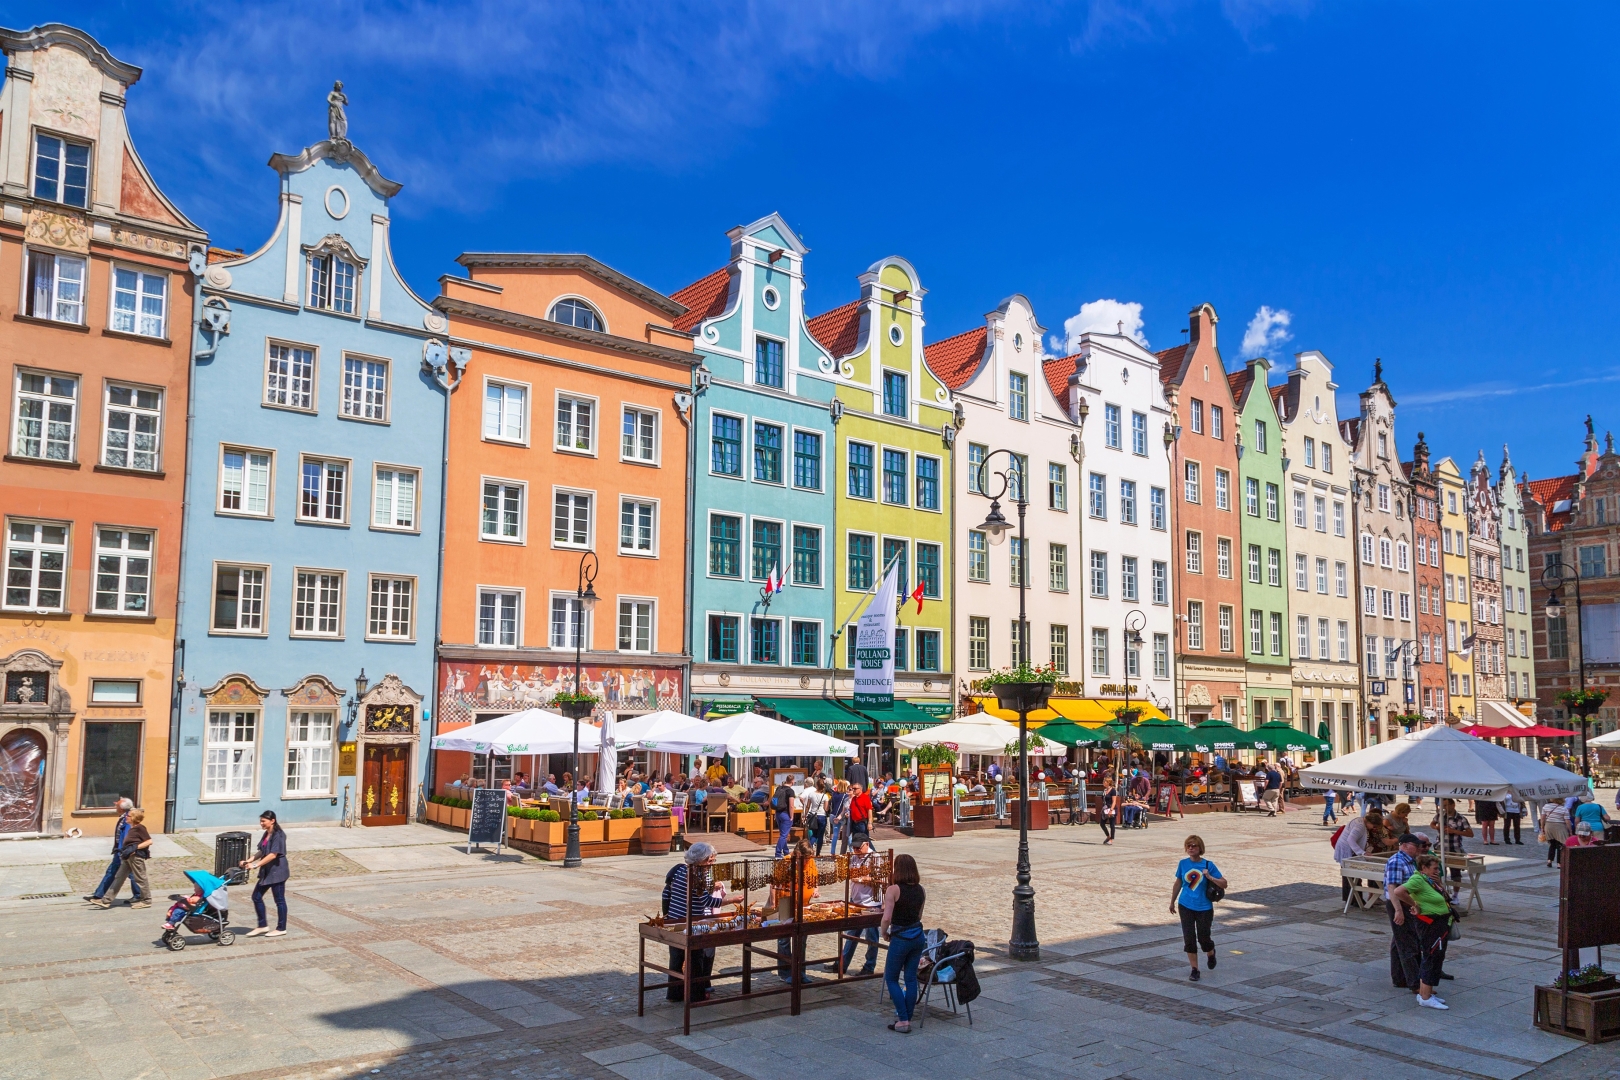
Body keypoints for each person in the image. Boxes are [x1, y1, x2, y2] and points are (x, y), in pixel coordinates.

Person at [665, 842, 731, 1001]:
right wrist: (732, 900)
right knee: (696, 959)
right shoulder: (699, 875)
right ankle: (695, 995)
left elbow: (672, 891)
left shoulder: (679, 870)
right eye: (710, 860)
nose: (712, 864)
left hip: (675, 920)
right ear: (701, 860)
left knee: (676, 957)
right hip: (692, 922)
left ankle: (675, 993)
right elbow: (708, 901)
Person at [1391, 853, 1454, 1010]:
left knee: (1436, 957)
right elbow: (1398, 891)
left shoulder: (1430, 881)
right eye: (1434, 869)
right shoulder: (1418, 879)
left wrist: (1439, 884)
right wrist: (1415, 904)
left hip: (1440, 923)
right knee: (1430, 957)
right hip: (1430, 925)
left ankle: (1427, 992)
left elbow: (1445, 898)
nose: (1437, 871)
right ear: (1424, 868)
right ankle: (1425, 996)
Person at [881, 853, 927, 1034]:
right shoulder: (921, 890)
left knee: (891, 978)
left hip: (901, 938)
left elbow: (887, 917)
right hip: (918, 936)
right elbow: (919, 915)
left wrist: (884, 932)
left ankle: (903, 1019)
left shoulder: (893, 890)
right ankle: (907, 1016)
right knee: (910, 978)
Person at [1170, 835, 1227, 981]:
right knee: (1189, 938)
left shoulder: (1208, 865)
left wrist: (1210, 877)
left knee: (1203, 938)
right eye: (1188, 846)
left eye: (1194, 846)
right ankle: (1194, 969)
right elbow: (1178, 883)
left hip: (1204, 907)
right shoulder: (1183, 863)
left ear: (1200, 848)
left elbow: (1224, 883)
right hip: (1185, 905)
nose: (1191, 848)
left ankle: (1210, 952)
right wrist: (1172, 901)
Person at [828, 835, 880, 975]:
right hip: (856, 901)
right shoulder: (854, 857)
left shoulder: (875, 858)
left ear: (866, 844)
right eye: (854, 848)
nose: (856, 850)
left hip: (871, 904)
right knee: (852, 934)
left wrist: (863, 879)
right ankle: (842, 964)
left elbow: (882, 879)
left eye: (858, 847)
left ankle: (869, 967)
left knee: (871, 936)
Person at [770, 840, 819, 981]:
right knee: (784, 939)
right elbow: (773, 883)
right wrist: (773, 904)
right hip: (785, 904)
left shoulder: (811, 861)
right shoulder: (785, 862)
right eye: (805, 858)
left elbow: (815, 880)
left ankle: (800, 972)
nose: (807, 861)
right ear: (797, 853)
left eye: (809, 858)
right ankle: (785, 973)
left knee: (801, 940)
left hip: (803, 905)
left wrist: (816, 889)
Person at [1383, 833, 1425, 992]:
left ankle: (1399, 977)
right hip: (1399, 904)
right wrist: (1398, 910)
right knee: (1408, 943)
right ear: (1405, 845)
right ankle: (1414, 983)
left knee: (1399, 940)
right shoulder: (1397, 861)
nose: (1419, 848)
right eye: (1416, 846)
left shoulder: (1411, 860)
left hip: (1407, 903)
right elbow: (1392, 887)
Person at [240, 810, 290, 937]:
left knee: (279, 900)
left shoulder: (279, 835)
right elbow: (262, 851)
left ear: (272, 821)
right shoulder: (267, 833)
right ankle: (262, 926)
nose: (261, 823)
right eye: (260, 821)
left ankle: (281, 928)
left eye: (263, 821)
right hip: (267, 871)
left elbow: (273, 855)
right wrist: (248, 861)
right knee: (256, 897)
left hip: (277, 871)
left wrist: (256, 865)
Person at [86, 798, 143, 907]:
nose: (115, 804)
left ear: (121, 809)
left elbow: (127, 836)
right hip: (119, 851)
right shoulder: (124, 817)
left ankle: (139, 895)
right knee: (112, 871)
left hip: (124, 851)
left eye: (117, 804)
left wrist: (124, 851)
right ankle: (99, 895)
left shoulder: (128, 819)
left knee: (132, 874)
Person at [100, 808, 153, 909]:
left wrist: (135, 848)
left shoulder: (140, 828)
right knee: (119, 877)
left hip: (136, 857)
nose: (126, 817)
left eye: (128, 816)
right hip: (128, 857)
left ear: (133, 818)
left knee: (140, 878)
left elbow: (149, 841)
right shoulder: (132, 828)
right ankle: (106, 900)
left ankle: (146, 901)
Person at [1334, 809, 1382, 903]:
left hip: (1348, 850)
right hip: (1347, 850)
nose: (1373, 828)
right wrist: (1362, 852)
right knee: (1352, 875)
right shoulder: (1360, 826)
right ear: (1370, 822)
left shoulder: (1360, 821)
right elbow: (1350, 840)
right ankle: (1355, 899)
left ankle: (1352, 899)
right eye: (1373, 826)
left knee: (1350, 875)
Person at [1432, 799, 1473, 882]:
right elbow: (1432, 824)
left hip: (1454, 848)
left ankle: (1456, 890)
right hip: (1440, 847)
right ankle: (1441, 888)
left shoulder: (1461, 818)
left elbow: (1470, 834)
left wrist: (1454, 831)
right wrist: (1436, 827)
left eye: (1446, 805)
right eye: (1443, 806)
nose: (1444, 808)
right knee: (1439, 872)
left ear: (1453, 805)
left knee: (1456, 874)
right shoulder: (1440, 815)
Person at [770, 776, 797, 857]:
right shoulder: (790, 791)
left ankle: (786, 851)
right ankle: (778, 853)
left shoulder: (779, 788)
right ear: (792, 781)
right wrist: (791, 816)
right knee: (783, 835)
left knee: (782, 834)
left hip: (778, 813)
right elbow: (791, 805)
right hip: (785, 814)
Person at [1541, 798, 1572, 866]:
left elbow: (1543, 818)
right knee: (1560, 845)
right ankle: (1559, 863)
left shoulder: (1546, 806)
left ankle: (1549, 860)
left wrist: (1542, 827)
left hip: (1549, 826)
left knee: (1552, 844)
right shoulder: (1563, 809)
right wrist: (1570, 831)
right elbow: (1567, 821)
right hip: (1560, 827)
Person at [802, 778, 829, 856]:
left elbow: (808, 806)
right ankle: (818, 853)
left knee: (814, 834)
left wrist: (805, 815)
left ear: (816, 785)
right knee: (820, 836)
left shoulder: (811, 794)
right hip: (822, 816)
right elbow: (826, 808)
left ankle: (808, 850)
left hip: (813, 815)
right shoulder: (825, 796)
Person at [849, 782, 873, 847]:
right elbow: (851, 809)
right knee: (856, 841)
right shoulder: (854, 798)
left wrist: (870, 823)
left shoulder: (865, 797)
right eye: (853, 788)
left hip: (862, 823)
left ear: (860, 789)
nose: (853, 790)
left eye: (855, 788)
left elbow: (869, 810)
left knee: (865, 841)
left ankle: (873, 852)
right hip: (854, 823)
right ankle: (858, 853)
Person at [1099, 778, 1120, 845]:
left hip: (1111, 808)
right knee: (1102, 823)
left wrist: (1111, 810)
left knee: (1112, 824)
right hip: (1105, 809)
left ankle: (1111, 839)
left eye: (1105, 781)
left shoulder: (1113, 791)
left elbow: (1114, 801)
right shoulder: (1104, 790)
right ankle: (1108, 836)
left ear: (1108, 783)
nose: (1103, 783)